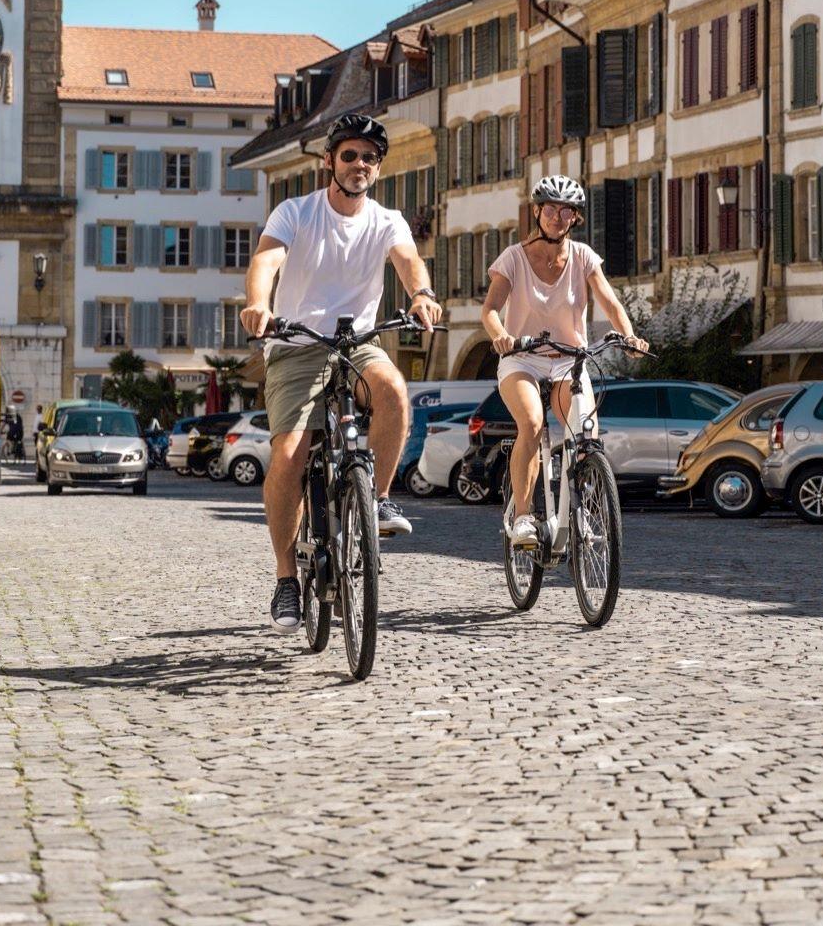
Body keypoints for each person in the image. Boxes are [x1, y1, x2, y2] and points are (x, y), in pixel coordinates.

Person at [240, 112, 442, 631]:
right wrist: (259, 304)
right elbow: (266, 261)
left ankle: (376, 500)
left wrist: (420, 294)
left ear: (377, 169)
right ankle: (287, 578)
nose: (359, 165)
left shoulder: (387, 219)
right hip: (298, 344)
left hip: (358, 342)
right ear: (329, 161)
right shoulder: (296, 212)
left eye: (369, 159)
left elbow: (409, 262)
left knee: (395, 391)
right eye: (349, 155)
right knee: (288, 454)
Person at [480, 175, 646, 548]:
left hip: (570, 361)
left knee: (585, 435)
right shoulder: (513, 258)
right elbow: (490, 309)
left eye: (567, 210)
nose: (558, 216)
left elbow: (610, 301)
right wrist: (499, 336)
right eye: (551, 208)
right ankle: (523, 515)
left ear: (575, 217)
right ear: (537, 211)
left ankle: (583, 505)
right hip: (521, 358)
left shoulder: (584, 257)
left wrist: (629, 335)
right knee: (533, 424)